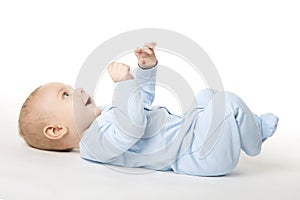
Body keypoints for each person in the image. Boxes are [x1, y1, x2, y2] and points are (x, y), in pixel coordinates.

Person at [18, 42, 279, 176]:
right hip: (197, 156)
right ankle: (254, 138)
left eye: (71, 87)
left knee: (207, 97)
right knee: (227, 103)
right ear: (56, 130)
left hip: (190, 131)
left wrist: (144, 70)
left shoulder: (107, 113)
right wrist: (124, 84)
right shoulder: (93, 145)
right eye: (65, 95)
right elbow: (132, 127)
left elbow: (139, 105)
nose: (78, 91)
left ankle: (249, 129)